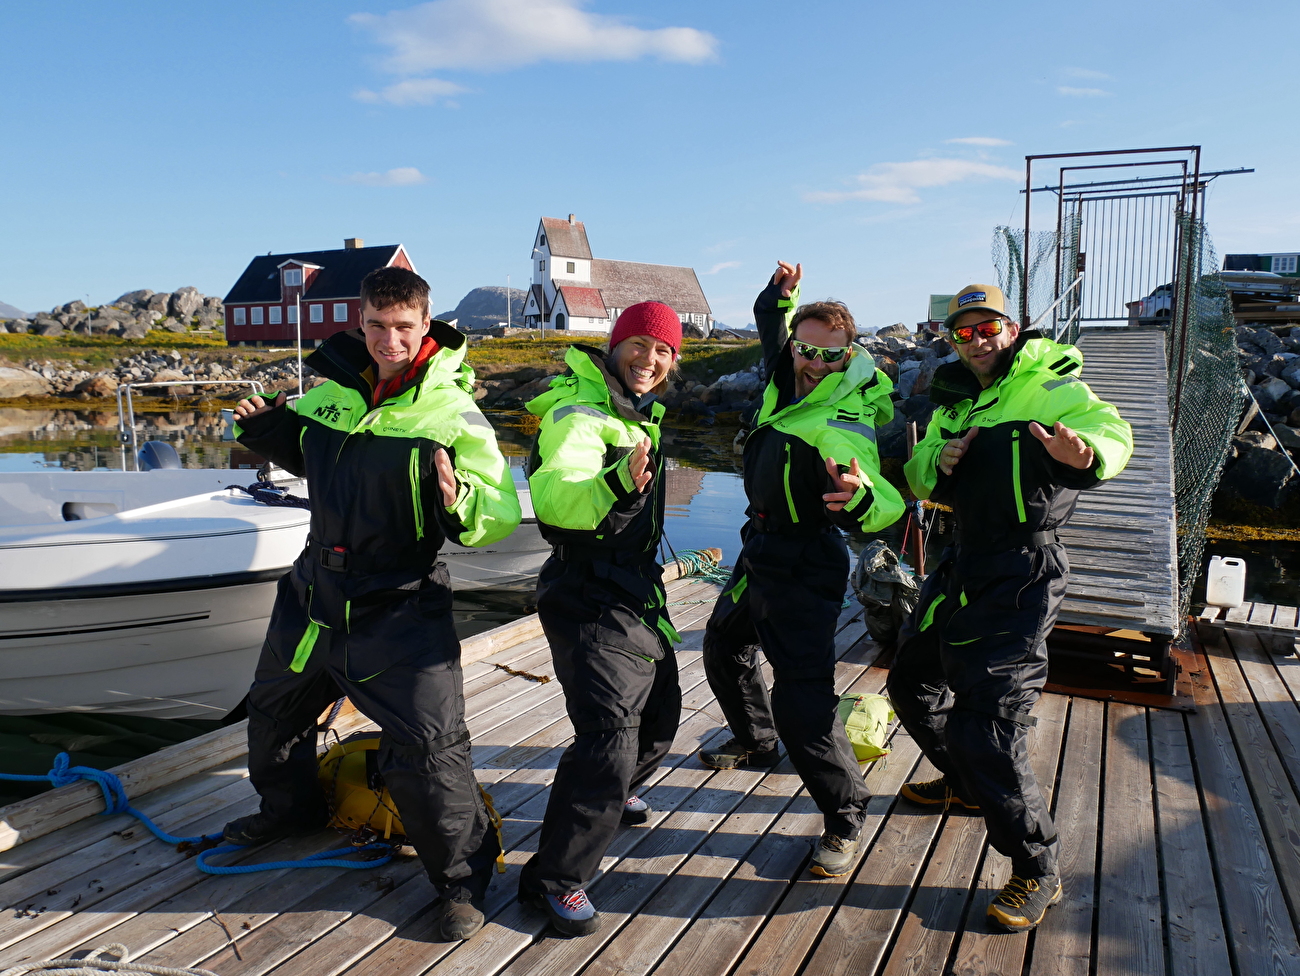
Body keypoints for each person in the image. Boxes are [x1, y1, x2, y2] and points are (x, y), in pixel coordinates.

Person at [223, 266, 522, 943]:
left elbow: (499, 511)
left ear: (426, 328)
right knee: (275, 709)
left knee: (430, 749)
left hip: (400, 606)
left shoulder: (453, 413)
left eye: (403, 327)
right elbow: (311, 454)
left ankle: (462, 881)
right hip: (313, 593)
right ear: (362, 322)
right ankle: (289, 811)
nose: (389, 339)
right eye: (378, 326)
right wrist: (270, 430)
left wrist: (461, 501)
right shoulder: (331, 394)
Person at [888, 283, 1133, 933]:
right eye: (963, 332)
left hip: (1023, 571)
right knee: (910, 682)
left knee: (989, 725)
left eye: (988, 327)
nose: (977, 341)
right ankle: (967, 783)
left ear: (1012, 327)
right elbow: (915, 476)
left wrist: (1087, 456)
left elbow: (1109, 430)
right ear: (952, 339)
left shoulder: (1048, 384)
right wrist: (937, 458)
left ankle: (1036, 866)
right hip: (959, 562)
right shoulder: (952, 401)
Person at [700, 262, 905, 878]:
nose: (813, 363)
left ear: (848, 362)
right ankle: (757, 740)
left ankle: (846, 813)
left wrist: (863, 499)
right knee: (723, 643)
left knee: (804, 702)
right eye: (806, 349)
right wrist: (777, 296)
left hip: (805, 564)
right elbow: (772, 330)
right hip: (757, 548)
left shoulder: (840, 421)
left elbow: (879, 493)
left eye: (829, 357)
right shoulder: (783, 373)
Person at [517, 301, 685, 937]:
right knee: (608, 736)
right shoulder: (579, 414)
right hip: (585, 594)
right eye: (638, 345)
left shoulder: (638, 412)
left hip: (637, 591)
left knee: (661, 716)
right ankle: (555, 880)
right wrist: (617, 484)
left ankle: (618, 790)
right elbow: (558, 501)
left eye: (663, 351)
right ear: (615, 348)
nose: (649, 360)